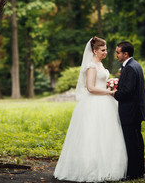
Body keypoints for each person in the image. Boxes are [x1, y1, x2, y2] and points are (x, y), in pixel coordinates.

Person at [54, 37, 127, 182]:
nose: (106, 52)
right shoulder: (91, 65)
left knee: (107, 135)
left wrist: (111, 85)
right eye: (103, 50)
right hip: (94, 103)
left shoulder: (100, 64)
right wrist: (109, 92)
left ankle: (108, 167)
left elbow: (101, 82)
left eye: (106, 49)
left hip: (106, 102)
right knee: (92, 135)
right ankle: (89, 169)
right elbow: (91, 88)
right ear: (94, 51)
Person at [112, 41, 145, 180]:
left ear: (125, 54)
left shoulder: (130, 68)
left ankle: (133, 173)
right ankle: (138, 170)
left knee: (132, 143)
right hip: (135, 111)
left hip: (130, 112)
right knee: (137, 141)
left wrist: (113, 93)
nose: (116, 55)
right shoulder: (135, 65)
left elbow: (127, 91)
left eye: (118, 52)